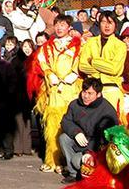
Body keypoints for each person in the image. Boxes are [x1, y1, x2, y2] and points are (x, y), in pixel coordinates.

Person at [36, 14, 82, 174]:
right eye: (57, 24)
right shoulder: (48, 46)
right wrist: (49, 74)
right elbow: (42, 62)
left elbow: (81, 62)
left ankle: (72, 162)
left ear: (69, 27)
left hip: (71, 91)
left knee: (73, 126)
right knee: (53, 126)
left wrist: (74, 73)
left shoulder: (78, 45)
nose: (60, 27)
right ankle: (53, 160)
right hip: (54, 91)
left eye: (63, 24)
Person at [59, 77, 118, 183]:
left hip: (97, 148)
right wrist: (76, 132)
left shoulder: (107, 111)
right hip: (80, 141)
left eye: (90, 93)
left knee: (76, 161)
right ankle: (73, 174)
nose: (85, 96)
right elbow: (65, 121)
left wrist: (89, 152)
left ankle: (87, 173)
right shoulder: (75, 104)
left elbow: (106, 139)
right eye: (84, 92)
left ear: (98, 94)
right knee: (64, 138)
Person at [79, 11, 126, 122]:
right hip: (91, 89)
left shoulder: (120, 45)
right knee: (90, 125)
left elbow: (114, 69)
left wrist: (94, 61)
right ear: (99, 24)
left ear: (115, 25)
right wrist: (101, 69)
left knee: (112, 126)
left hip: (111, 88)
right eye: (103, 22)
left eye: (110, 22)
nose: (107, 25)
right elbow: (82, 66)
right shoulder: (90, 42)